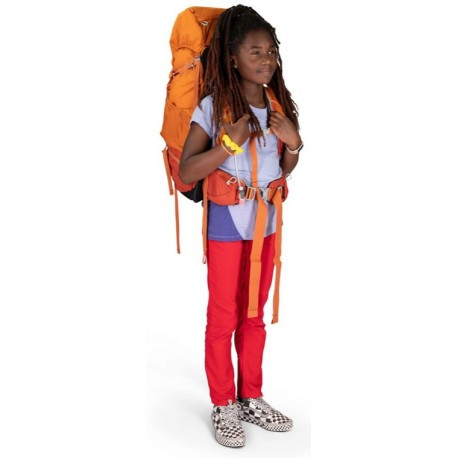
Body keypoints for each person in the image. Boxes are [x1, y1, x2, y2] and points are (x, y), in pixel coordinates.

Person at [179, 4, 302, 448]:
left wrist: (294, 144)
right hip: (228, 223)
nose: (266, 59)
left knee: (254, 314)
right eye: (255, 51)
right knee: (223, 315)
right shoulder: (213, 107)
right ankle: (223, 403)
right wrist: (229, 142)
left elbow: (283, 168)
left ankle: (250, 396)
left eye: (271, 51)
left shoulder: (278, 105)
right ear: (232, 58)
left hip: (266, 224)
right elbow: (186, 172)